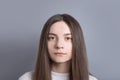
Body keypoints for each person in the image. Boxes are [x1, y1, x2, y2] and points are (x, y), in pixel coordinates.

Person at [18, 14, 98, 80]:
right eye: (52, 38)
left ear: (77, 42)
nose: (59, 45)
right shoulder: (27, 78)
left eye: (67, 38)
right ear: (44, 42)